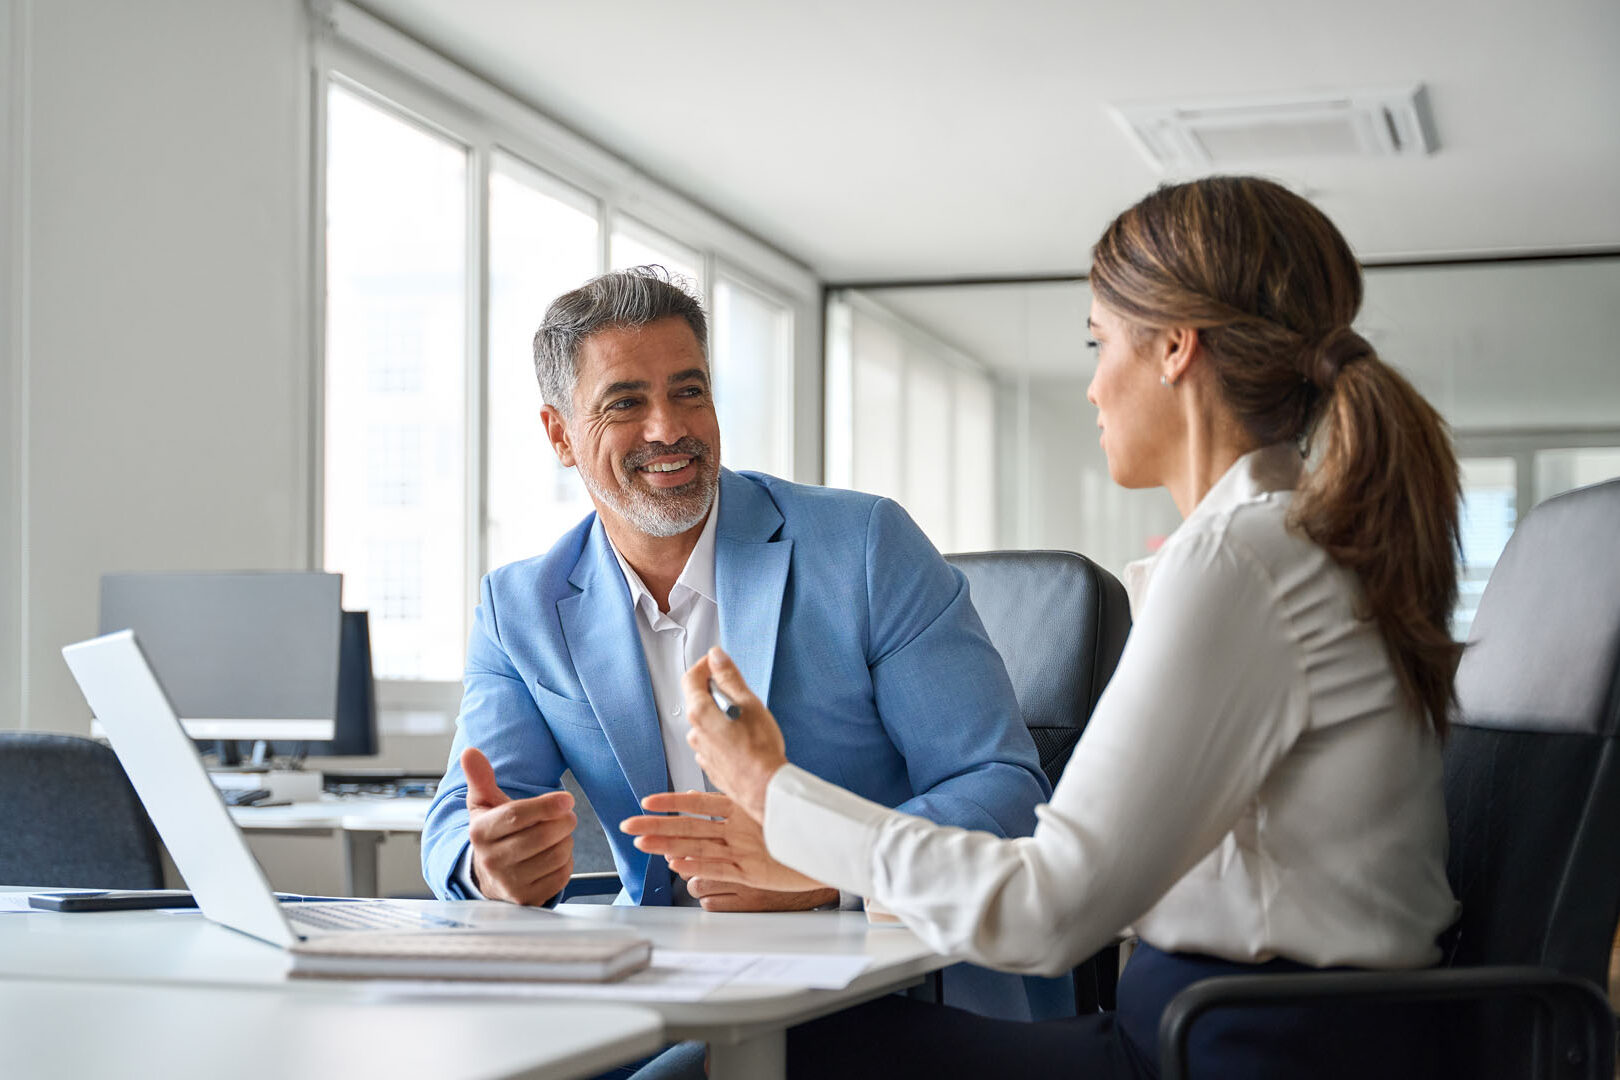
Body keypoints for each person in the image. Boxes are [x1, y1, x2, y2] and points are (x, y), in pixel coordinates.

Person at [629, 177, 1465, 1078]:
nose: (1095, 384)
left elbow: (1050, 908)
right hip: (1227, 1032)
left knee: (760, 1063)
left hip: (1233, 1052)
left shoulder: (1245, 560)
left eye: (1100, 342)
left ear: (1177, 347)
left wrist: (775, 794)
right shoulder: (1281, 543)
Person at [420, 266, 1068, 1023]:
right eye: (626, 402)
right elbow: (458, 823)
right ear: (561, 434)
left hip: (893, 986)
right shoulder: (520, 608)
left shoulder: (862, 546)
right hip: (662, 994)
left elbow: (1003, 786)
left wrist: (824, 870)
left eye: (688, 391)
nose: (669, 428)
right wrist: (490, 863)